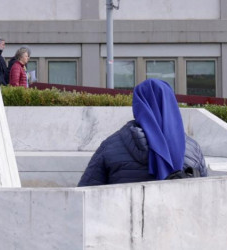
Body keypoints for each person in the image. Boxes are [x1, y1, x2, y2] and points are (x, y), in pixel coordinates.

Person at [77, 79, 209, 186]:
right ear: (172, 105)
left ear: (138, 106)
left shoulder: (110, 146)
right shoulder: (192, 148)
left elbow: (85, 192)